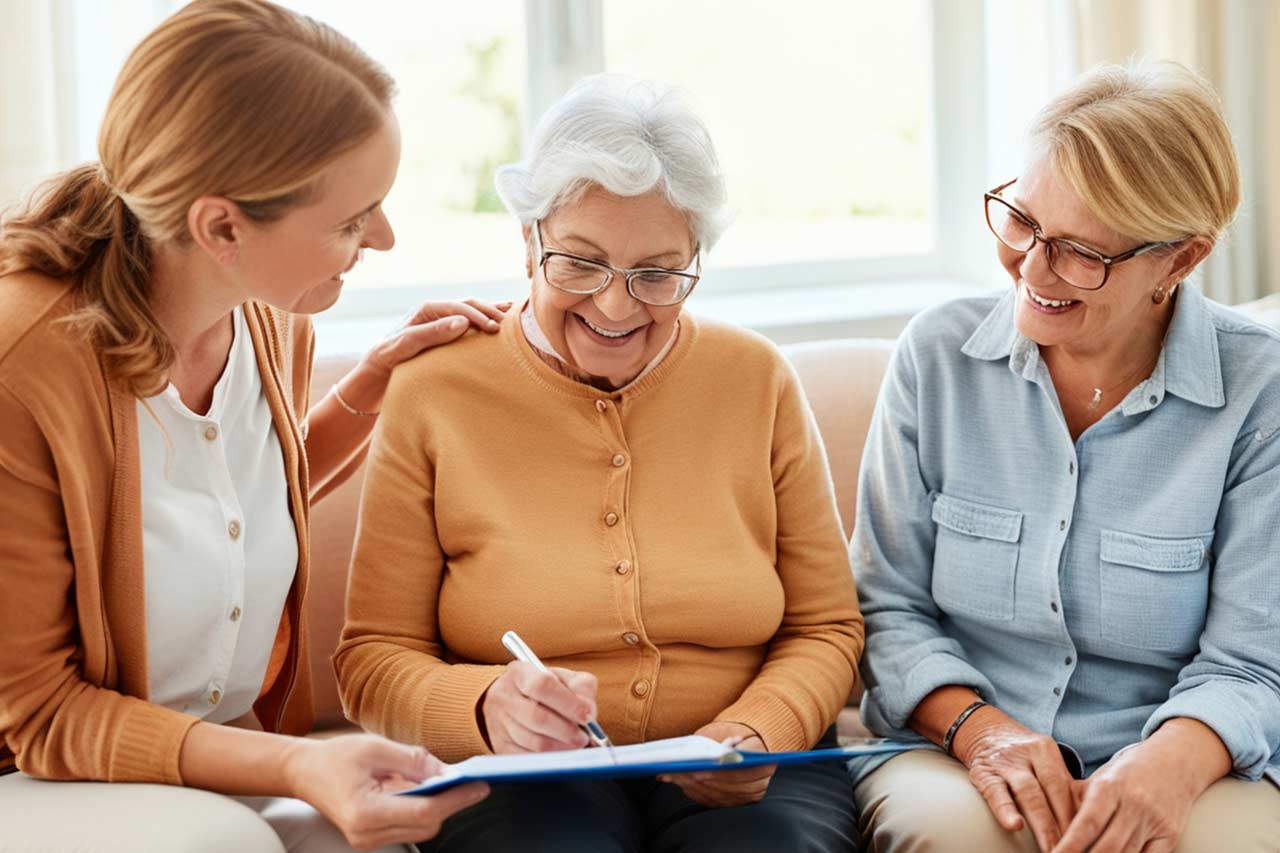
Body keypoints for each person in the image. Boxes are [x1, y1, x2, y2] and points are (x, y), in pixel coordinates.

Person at [0, 1, 502, 850]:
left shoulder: (270, 312)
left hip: (213, 759)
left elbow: (211, 510)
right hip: (43, 773)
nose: (382, 237)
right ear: (222, 226)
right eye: (350, 220)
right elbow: (40, 714)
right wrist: (296, 766)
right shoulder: (25, 368)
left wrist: (369, 388)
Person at [335, 74, 865, 852]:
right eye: (578, 263)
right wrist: (485, 706)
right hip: (521, 774)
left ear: (696, 260)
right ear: (527, 242)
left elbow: (828, 625)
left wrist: (761, 727)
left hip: (752, 768)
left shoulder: (757, 378)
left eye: (657, 273)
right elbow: (370, 660)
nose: (616, 308)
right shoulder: (436, 388)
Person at [849, 60, 1280, 852]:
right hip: (962, 744)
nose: (1031, 269)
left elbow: (1255, 663)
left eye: (1082, 251)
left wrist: (1164, 769)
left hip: (1192, 754)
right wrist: (983, 733)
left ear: (1181, 259)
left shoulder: (1263, 392)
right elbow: (886, 608)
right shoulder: (937, 358)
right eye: (1022, 219)